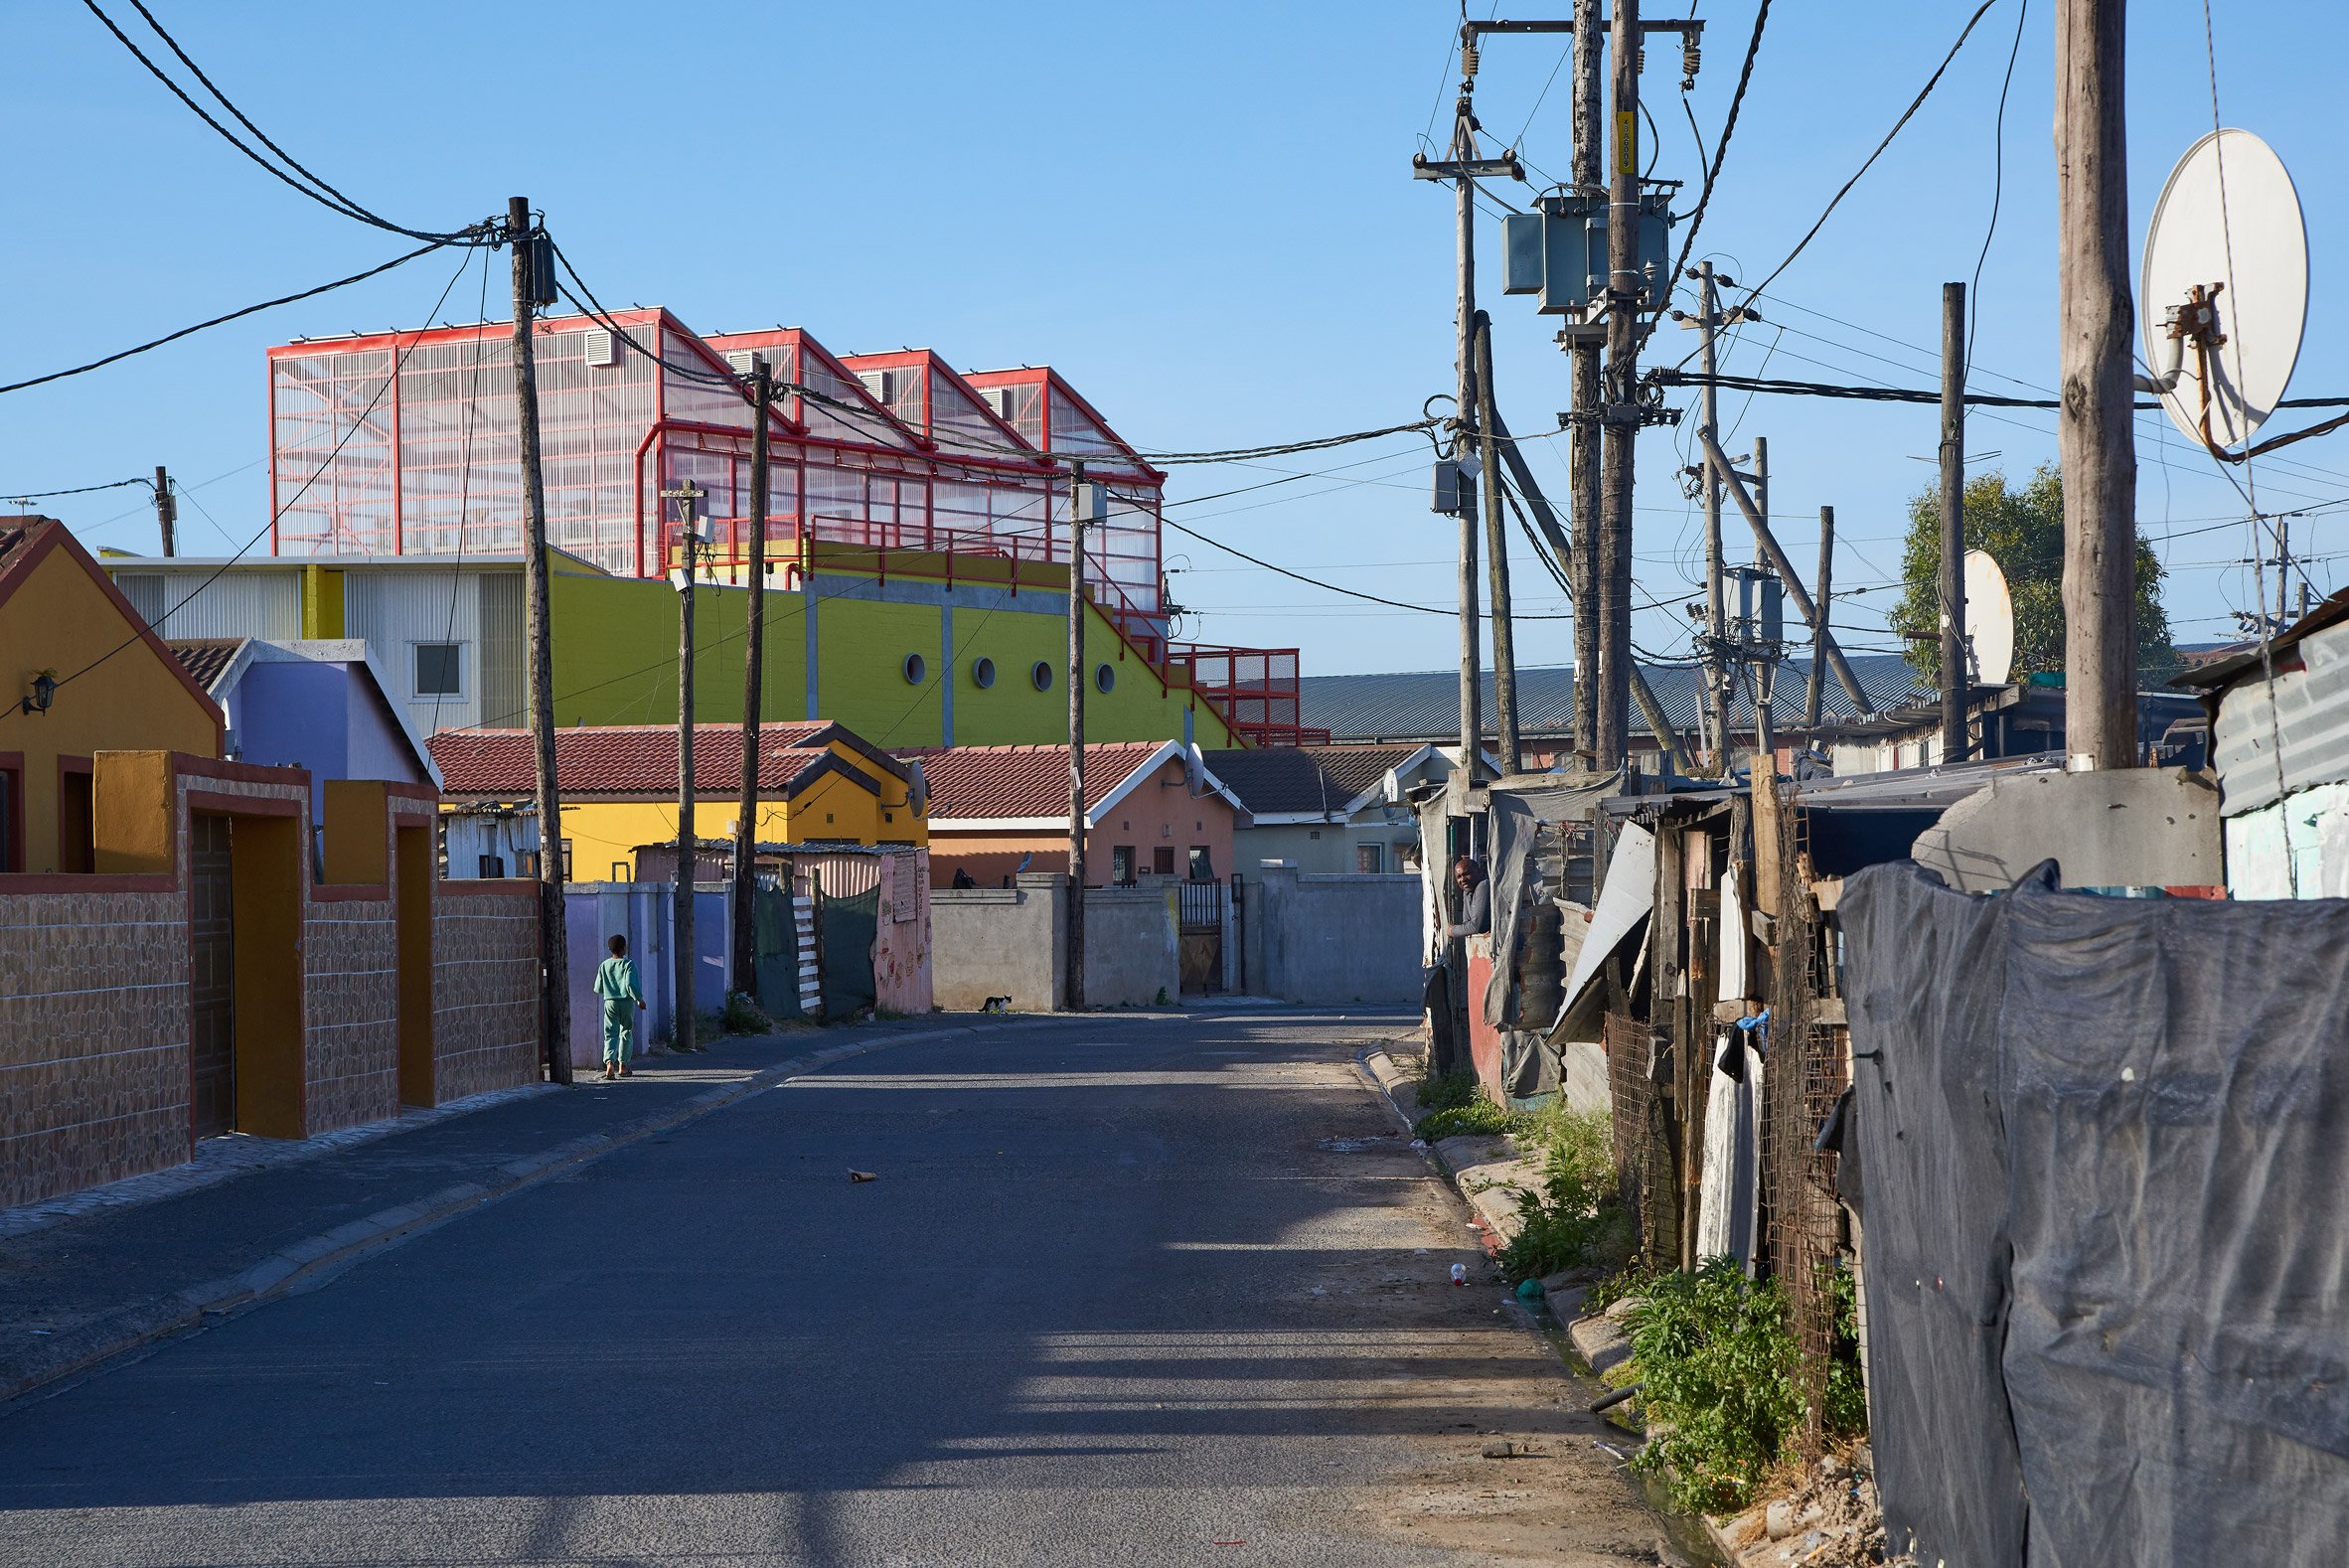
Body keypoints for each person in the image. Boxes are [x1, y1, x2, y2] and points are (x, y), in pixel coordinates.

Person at [593, 933, 645, 1080]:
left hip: (610, 1002)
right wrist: (639, 999)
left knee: (610, 1033)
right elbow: (630, 985)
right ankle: (623, 1066)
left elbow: (597, 988)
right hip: (626, 1002)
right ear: (623, 949)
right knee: (626, 1032)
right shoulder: (629, 964)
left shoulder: (604, 965)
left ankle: (609, 1063)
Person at [1446, 855, 1490, 939]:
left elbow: (1476, 926)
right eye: (1458, 877)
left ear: (1479, 872)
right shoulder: (1467, 892)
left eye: (1466, 874)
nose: (1462, 879)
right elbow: (1466, 924)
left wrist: (1452, 931)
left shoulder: (1484, 885)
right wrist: (1464, 929)